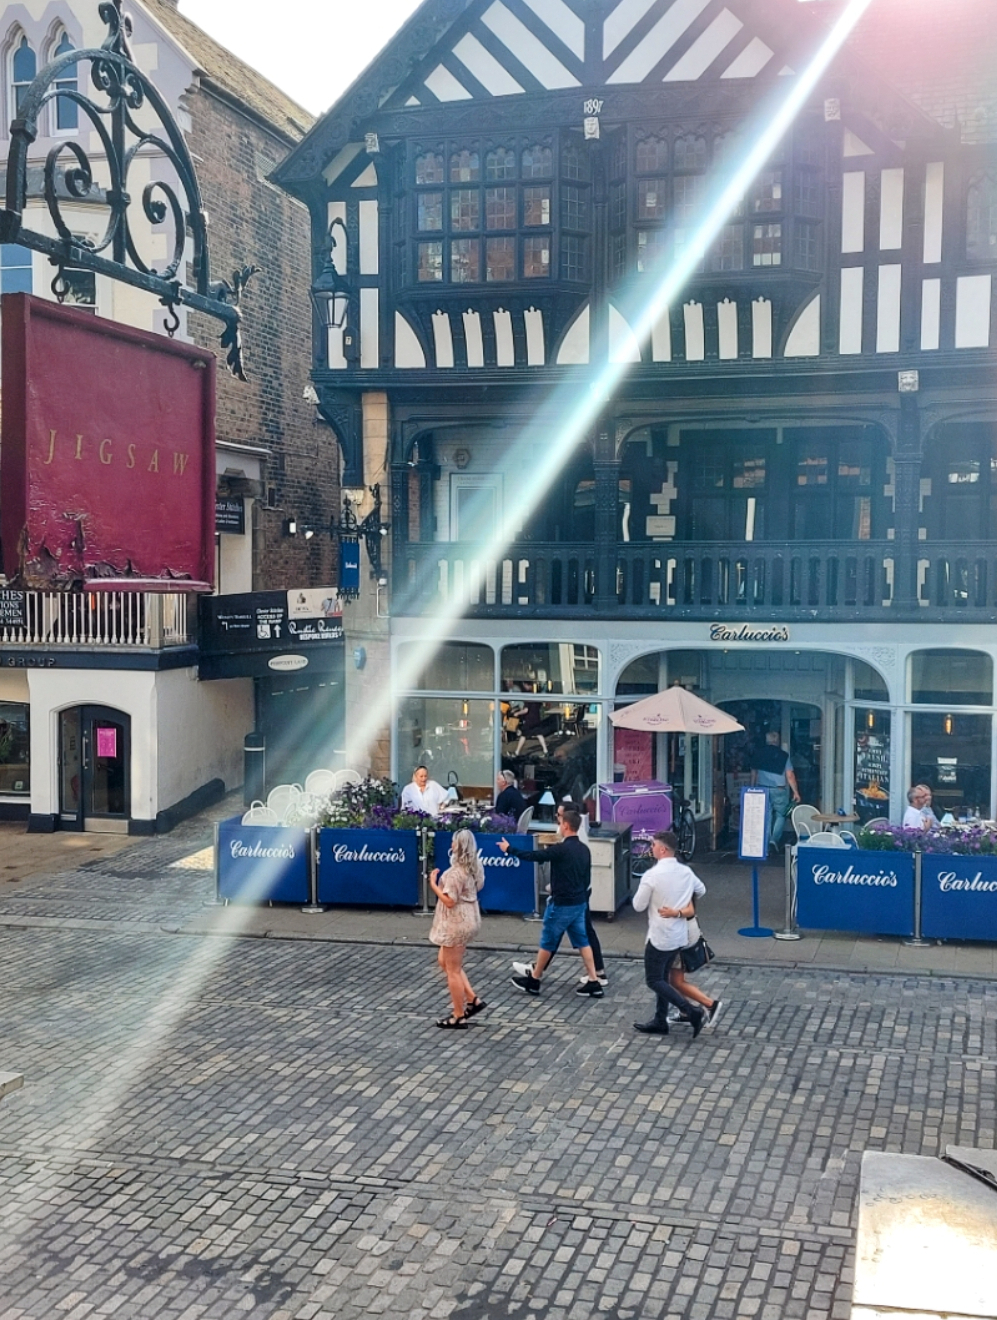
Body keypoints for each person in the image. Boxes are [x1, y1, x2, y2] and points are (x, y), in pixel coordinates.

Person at [498, 808, 604, 998]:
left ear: (566, 826)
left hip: (562, 904)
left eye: (560, 823)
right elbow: (586, 879)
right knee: (582, 941)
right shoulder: (584, 850)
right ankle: (594, 980)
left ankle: (534, 980)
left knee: (548, 942)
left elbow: (534, 856)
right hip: (579, 903)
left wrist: (509, 849)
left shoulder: (560, 850)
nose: (559, 826)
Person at [632, 830, 708, 1037]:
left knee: (653, 979)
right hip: (678, 935)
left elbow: (638, 905)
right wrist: (682, 905)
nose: (651, 849)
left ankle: (691, 1011)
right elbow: (701, 890)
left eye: (654, 845)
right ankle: (660, 1020)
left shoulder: (651, 876)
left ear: (663, 850)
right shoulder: (686, 872)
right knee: (663, 978)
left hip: (660, 935)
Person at [428, 829, 487, 1029]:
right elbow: (479, 886)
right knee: (443, 960)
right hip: (470, 918)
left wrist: (434, 885)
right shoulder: (475, 866)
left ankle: (458, 1015)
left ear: (458, 846)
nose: (451, 844)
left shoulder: (454, 874)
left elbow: (450, 901)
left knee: (452, 970)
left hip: (456, 923)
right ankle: (472, 999)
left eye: (454, 842)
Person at [750, 730, 801, 850]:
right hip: (779, 789)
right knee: (780, 815)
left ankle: (765, 843)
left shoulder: (758, 754)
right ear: (777, 741)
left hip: (762, 788)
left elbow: (753, 773)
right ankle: (774, 840)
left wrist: (752, 788)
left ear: (767, 740)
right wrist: (796, 792)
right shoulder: (783, 755)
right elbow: (790, 775)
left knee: (766, 815)